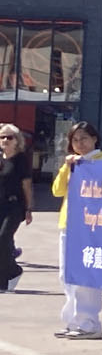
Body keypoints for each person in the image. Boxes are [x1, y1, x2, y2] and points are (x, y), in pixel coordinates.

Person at [52, 122, 102, 336]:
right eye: (75, 140)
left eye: (84, 138)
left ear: (94, 139)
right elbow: (57, 190)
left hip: (91, 226)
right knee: (67, 275)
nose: (79, 144)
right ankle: (74, 320)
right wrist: (67, 168)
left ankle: (89, 321)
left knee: (87, 275)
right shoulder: (74, 163)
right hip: (69, 224)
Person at [0, 122, 31, 293]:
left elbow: (26, 184)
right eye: (2, 137)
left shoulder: (20, 160)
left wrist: (28, 208)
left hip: (14, 206)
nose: (5, 140)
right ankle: (5, 278)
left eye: (9, 137)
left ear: (16, 141)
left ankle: (13, 271)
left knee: (3, 238)